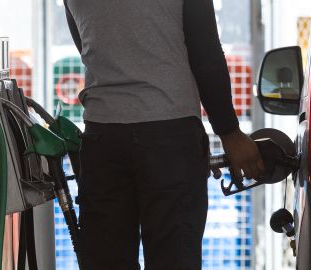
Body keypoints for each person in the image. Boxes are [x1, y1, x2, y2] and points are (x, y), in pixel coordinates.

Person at [63, 0, 264, 269]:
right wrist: (229, 132)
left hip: (103, 137)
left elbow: (86, 45)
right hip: (169, 134)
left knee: (107, 260)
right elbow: (205, 53)